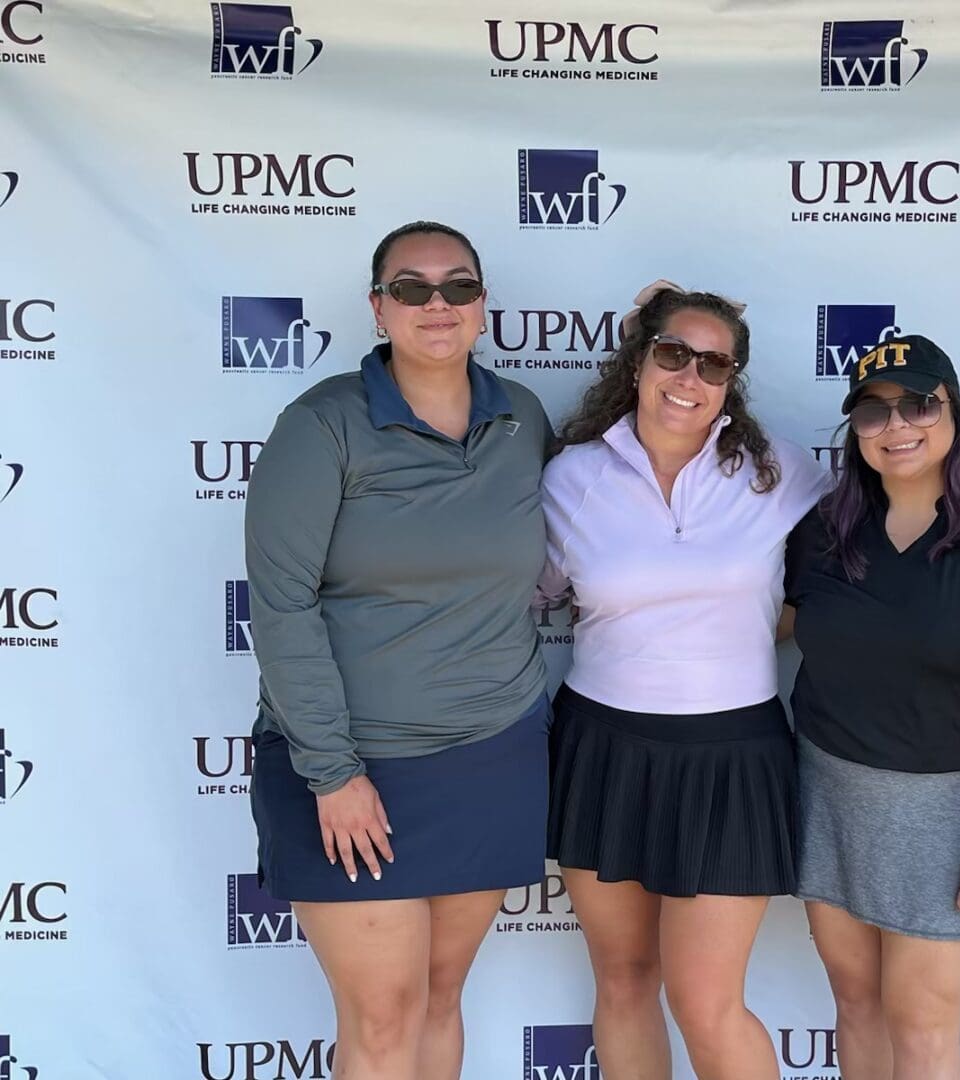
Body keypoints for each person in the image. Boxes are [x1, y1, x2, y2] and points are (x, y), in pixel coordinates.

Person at [244, 221, 553, 1080]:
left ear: (484, 306)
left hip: (491, 755)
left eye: (458, 286)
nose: (437, 304)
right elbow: (281, 605)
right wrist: (333, 773)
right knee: (381, 1022)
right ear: (378, 307)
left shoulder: (520, 417)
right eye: (411, 288)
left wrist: (657, 322)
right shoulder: (322, 425)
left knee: (440, 997)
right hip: (352, 769)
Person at [539, 281, 831, 1080]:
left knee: (706, 1002)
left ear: (731, 382)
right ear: (639, 358)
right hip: (603, 747)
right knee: (626, 981)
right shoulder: (569, 478)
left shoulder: (782, 475)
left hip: (735, 754)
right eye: (673, 353)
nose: (689, 377)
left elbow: (845, 589)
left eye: (713, 364)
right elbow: (514, 595)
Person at [782, 334, 960, 1080]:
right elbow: (755, 621)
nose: (898, 426)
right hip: (826, 790)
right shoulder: (823, 531)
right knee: (856, 1005)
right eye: (873, 412)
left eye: (919, 404)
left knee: (923, 1028)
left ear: (955, 413)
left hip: (943, 815)